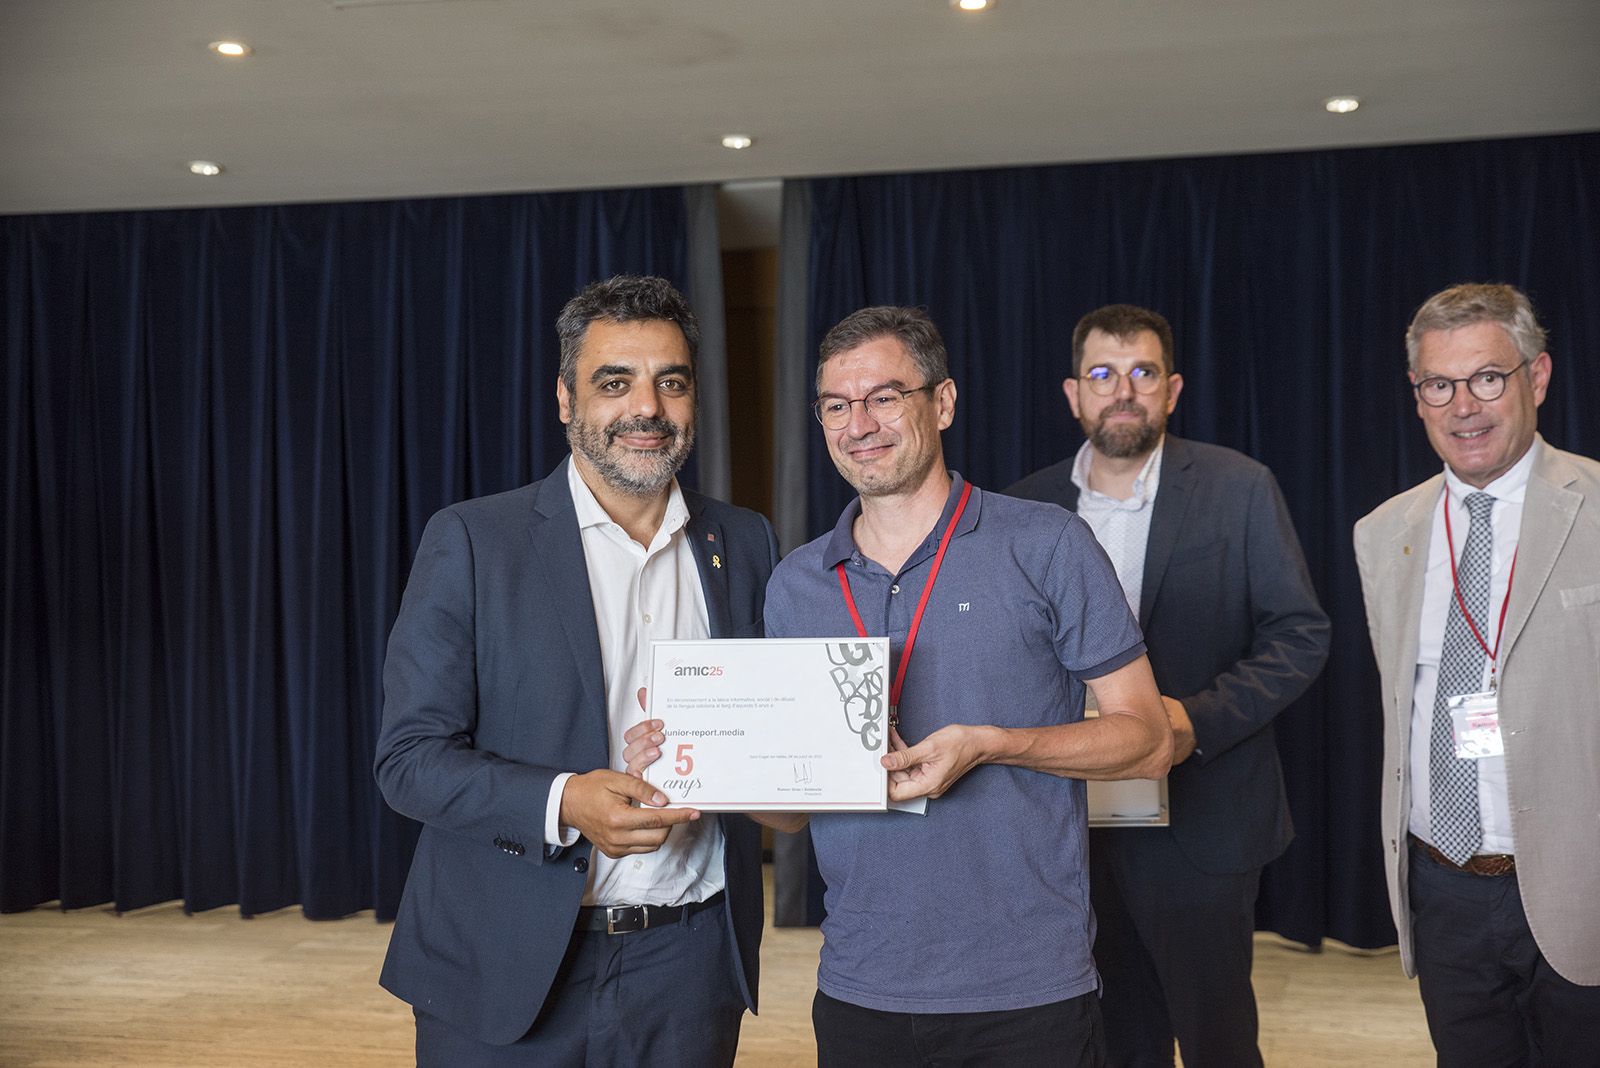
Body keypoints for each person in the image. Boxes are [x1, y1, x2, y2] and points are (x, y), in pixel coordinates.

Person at [374, 275, 779, 1065]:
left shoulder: (746, 541)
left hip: (689, 968)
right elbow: (408, 761)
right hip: (504, 959)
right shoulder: (473, 541)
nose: (647, 408)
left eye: (672, 383)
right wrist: (565, 801)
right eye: (615, 383)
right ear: (566, 399)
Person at [763, 305, 1172, 1066]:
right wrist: (700, 759)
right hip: (859, 987)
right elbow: (788, 813)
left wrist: (992, 744)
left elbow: (1147, 740)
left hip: (1027, 992)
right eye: (836, 406)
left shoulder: (1046, 543)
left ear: (943, 402)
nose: (859, 424)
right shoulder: (796, 583)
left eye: (885, 397)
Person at [1006, 304, 1330, 1067]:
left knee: (1219, 1043)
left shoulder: (1239, 487)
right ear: (1073, 394)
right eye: (1102, 374)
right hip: (1070, 829)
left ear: (1172, 389)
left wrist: (1192, 721)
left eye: (1143, 372)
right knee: (1114, 1042)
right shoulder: (1024, 508)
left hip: (1203, 820)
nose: (1123, 390)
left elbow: (1300, 634)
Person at [1354, 283, 1600, 1065]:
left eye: (1488, 377)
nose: (1464, 406)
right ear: (1417, 396)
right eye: (1440, 384)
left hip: (1580, 885)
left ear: (1538, 377)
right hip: (1444, 888)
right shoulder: (1383, 532)